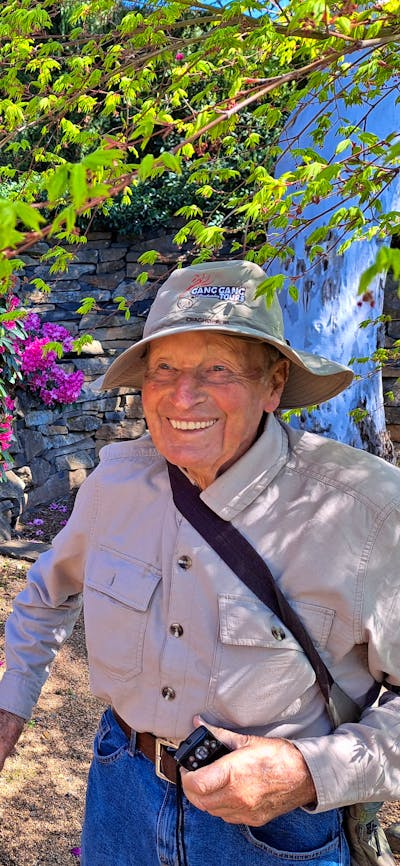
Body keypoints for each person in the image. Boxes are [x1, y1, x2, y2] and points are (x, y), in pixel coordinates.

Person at [0, 259, 399, 866]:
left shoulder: (366, 511)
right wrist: (12, 700)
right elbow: (47, 592)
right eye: (164, 368)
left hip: (278, 830)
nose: (183, 396)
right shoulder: (116, 482)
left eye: (218, 369)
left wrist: (307, 771)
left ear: (273, 384)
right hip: (120, 789)